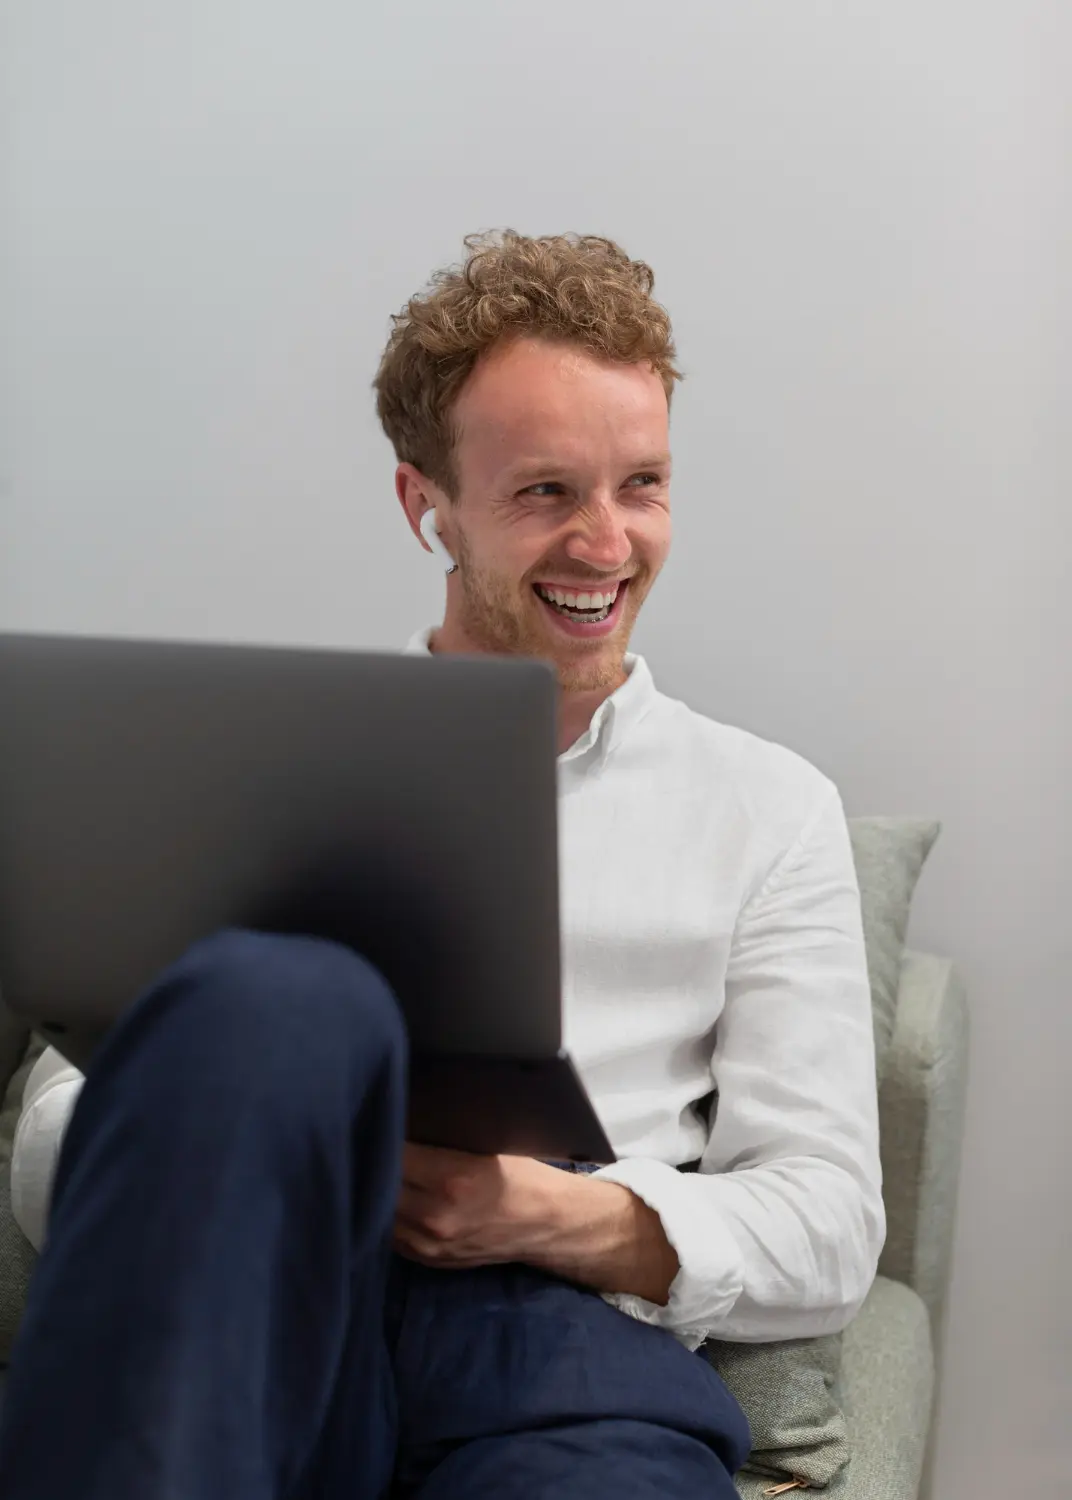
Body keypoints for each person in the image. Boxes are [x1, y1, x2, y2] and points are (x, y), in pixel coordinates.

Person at [0, 232, 884, 1500]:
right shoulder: (243, 767)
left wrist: (545, 1214)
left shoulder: (769, 808)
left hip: (563, 1354)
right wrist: (254, 1118)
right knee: (284, 1000)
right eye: (543, 493)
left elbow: (829, 1222)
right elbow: (44, 1154)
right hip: (262, 1312)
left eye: (640, 484)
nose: (604, 543)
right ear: (427, 506)